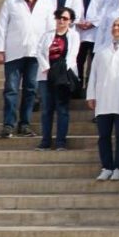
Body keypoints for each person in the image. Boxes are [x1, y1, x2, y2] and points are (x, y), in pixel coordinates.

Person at [0, 0, 53, 138]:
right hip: (14, 52)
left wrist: (49, 52)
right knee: (11, 89)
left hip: (36, 53)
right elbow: (1, 25)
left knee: (31, 89)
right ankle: (8, 124)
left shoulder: (47, 2)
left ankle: (25, 124)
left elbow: (50, 28)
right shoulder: (12, 0)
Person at [38, 8, 82, 150]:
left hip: (63, 76)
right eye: (59, 17)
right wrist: (47, 68)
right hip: (46, 75)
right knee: (46, 109)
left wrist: (59, 72)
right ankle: (45, 141)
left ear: (70, 21)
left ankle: (61, 142)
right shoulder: (47, 35)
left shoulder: (74, 35)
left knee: (62, 109)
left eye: (65, 18)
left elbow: (72, 55)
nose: (61, 20)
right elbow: (39, 52)